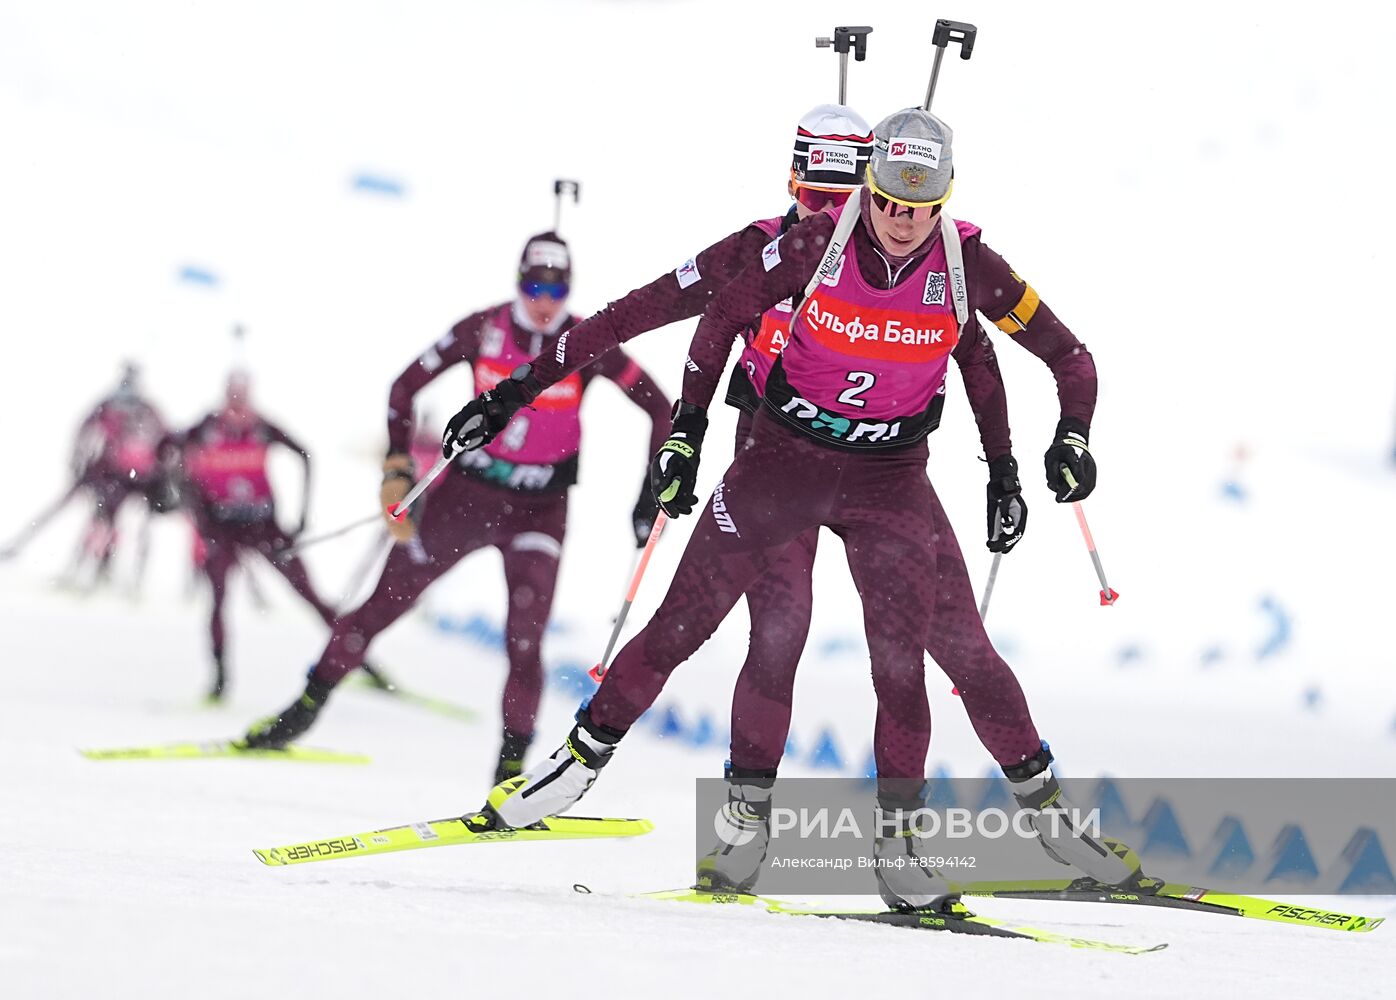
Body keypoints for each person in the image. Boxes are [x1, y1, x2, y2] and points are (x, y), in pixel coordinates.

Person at [449, 108, 1134, 913]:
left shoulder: (957, 258)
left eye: (892, 200)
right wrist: (567, 406)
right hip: (778, 464)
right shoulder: (783, 248)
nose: (875, 215)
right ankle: (647, 795)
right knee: (748, 633)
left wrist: (1024, 462)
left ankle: (1017, 828)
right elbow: (636, 320)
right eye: (829, 190)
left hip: (888, 474)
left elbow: (999, 356)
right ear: (804, 185)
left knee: (935, 653)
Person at [242, 233, 672, 783]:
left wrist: (650, 486)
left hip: (540, 509)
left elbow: (660, 408)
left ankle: (509, 777)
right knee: (380, 609)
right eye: (534, 284)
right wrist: (397, 468)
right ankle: (301, 711)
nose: (545, 298)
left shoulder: (585, 339)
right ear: (518, 281)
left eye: (557, 286)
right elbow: (404, 387)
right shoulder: (483, 329)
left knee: (525, 638)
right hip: (466, 500)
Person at [162, 371, 337, 699]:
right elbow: (167, 449)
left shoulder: (262, 427)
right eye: (233, 394)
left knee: (308, 593)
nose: (237, 402)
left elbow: (304, 455)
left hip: (263, 525)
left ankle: (356, 659)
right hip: (222, 527)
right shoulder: (207, 427)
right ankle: (219, 679)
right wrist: (188, 499)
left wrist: (301, 516)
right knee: (217, 600)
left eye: (243, 395)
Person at [64, 362, 173, 589]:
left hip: (135, 476)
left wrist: (165, 474)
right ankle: (95, 569)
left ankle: (124, 575)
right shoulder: (115, 406)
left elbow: (166, 441)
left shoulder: (138, 408)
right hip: (116, 475)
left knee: (119, 524)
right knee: (105, 522)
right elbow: (84, 435)